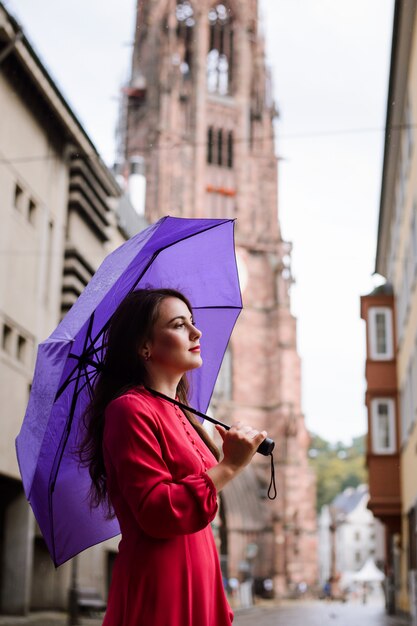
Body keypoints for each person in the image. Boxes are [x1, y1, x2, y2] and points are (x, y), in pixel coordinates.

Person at [80, 288, 267, 626]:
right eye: (179, 325)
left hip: (201, 578)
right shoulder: (129, 409)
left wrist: (230, 459)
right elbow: (157, 511)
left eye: (192, 322)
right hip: (161, 585)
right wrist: (229, 466)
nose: (196, 333)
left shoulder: (185, 415)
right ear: (144, 346)